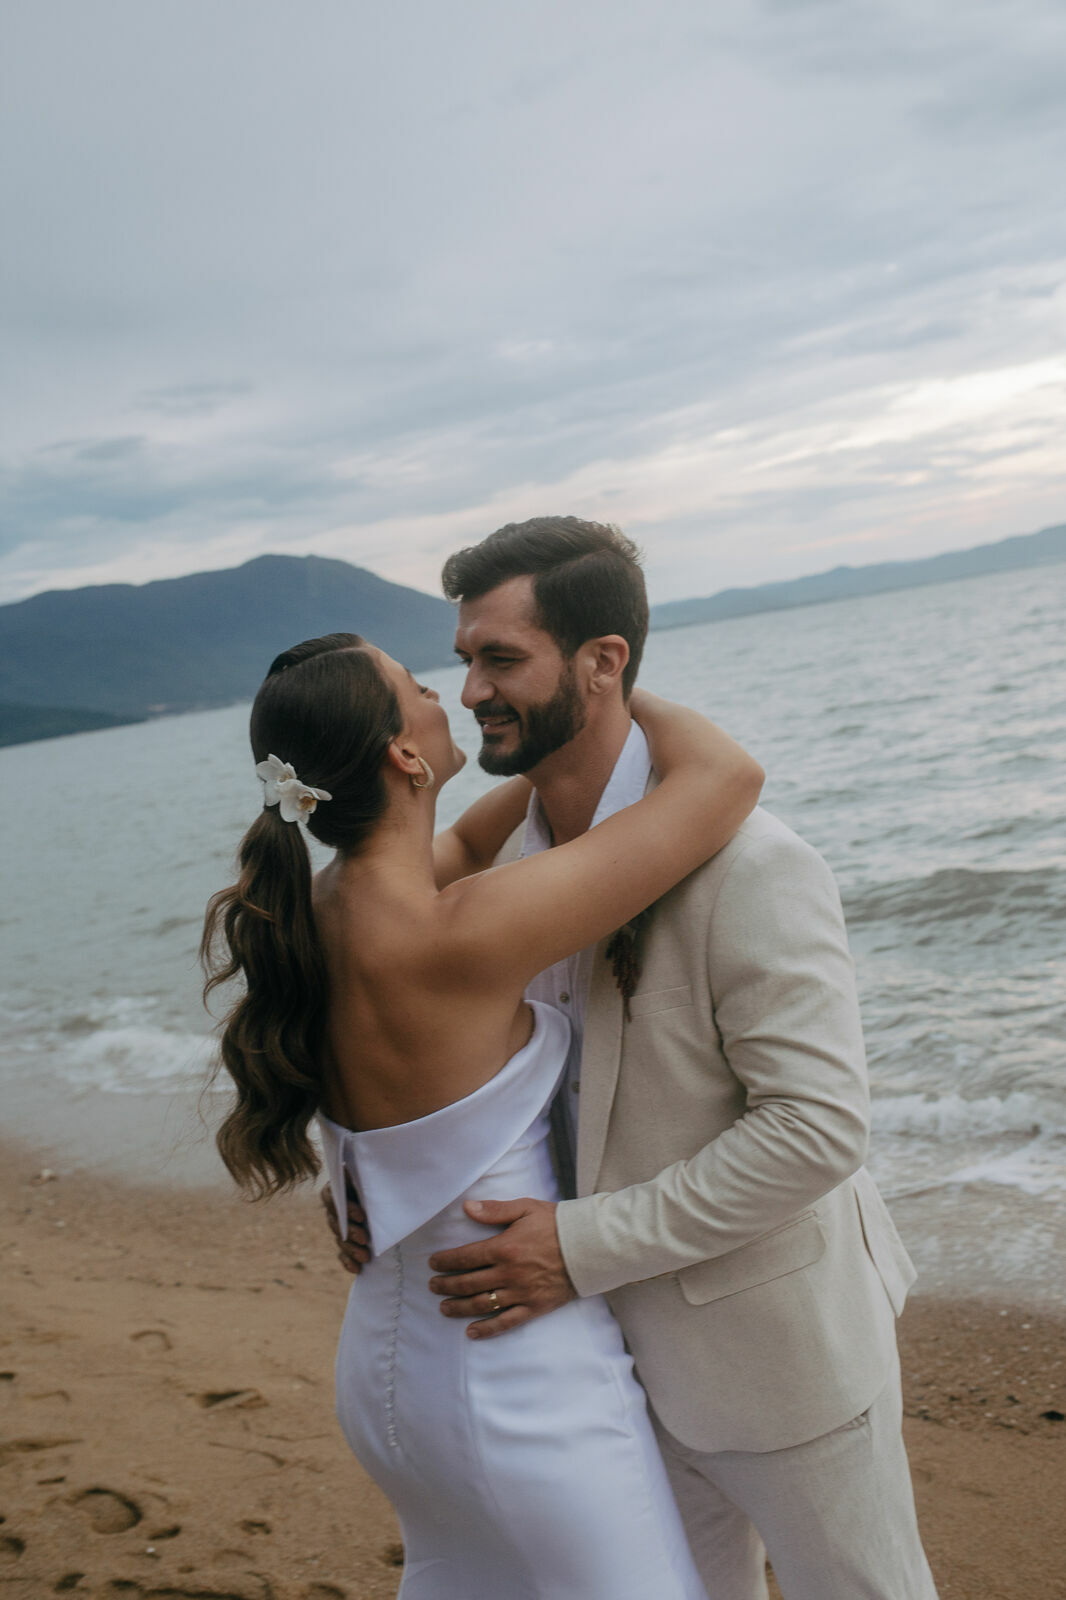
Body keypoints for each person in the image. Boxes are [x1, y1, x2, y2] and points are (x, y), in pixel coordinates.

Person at [328, 517, 939, 1600]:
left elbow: (818, 1128)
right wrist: (366, 1182)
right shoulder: (494, 872)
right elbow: (383, 1021)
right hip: (590, 1379)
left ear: (601, 660)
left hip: (774, 1358)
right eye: (463, 659)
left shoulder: (753, 865)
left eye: (500, 658)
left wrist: (580, 1245)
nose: (469, 690)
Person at [202, 627, 764, 1599]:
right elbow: (722, 780)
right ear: (403, 754)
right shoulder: (461, 929)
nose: (453, 696)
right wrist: (610, 686)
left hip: (389, 1373)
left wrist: (553, 741)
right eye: (420, 687)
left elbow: (461, 841)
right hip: (514, 1374)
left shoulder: (320, 910)